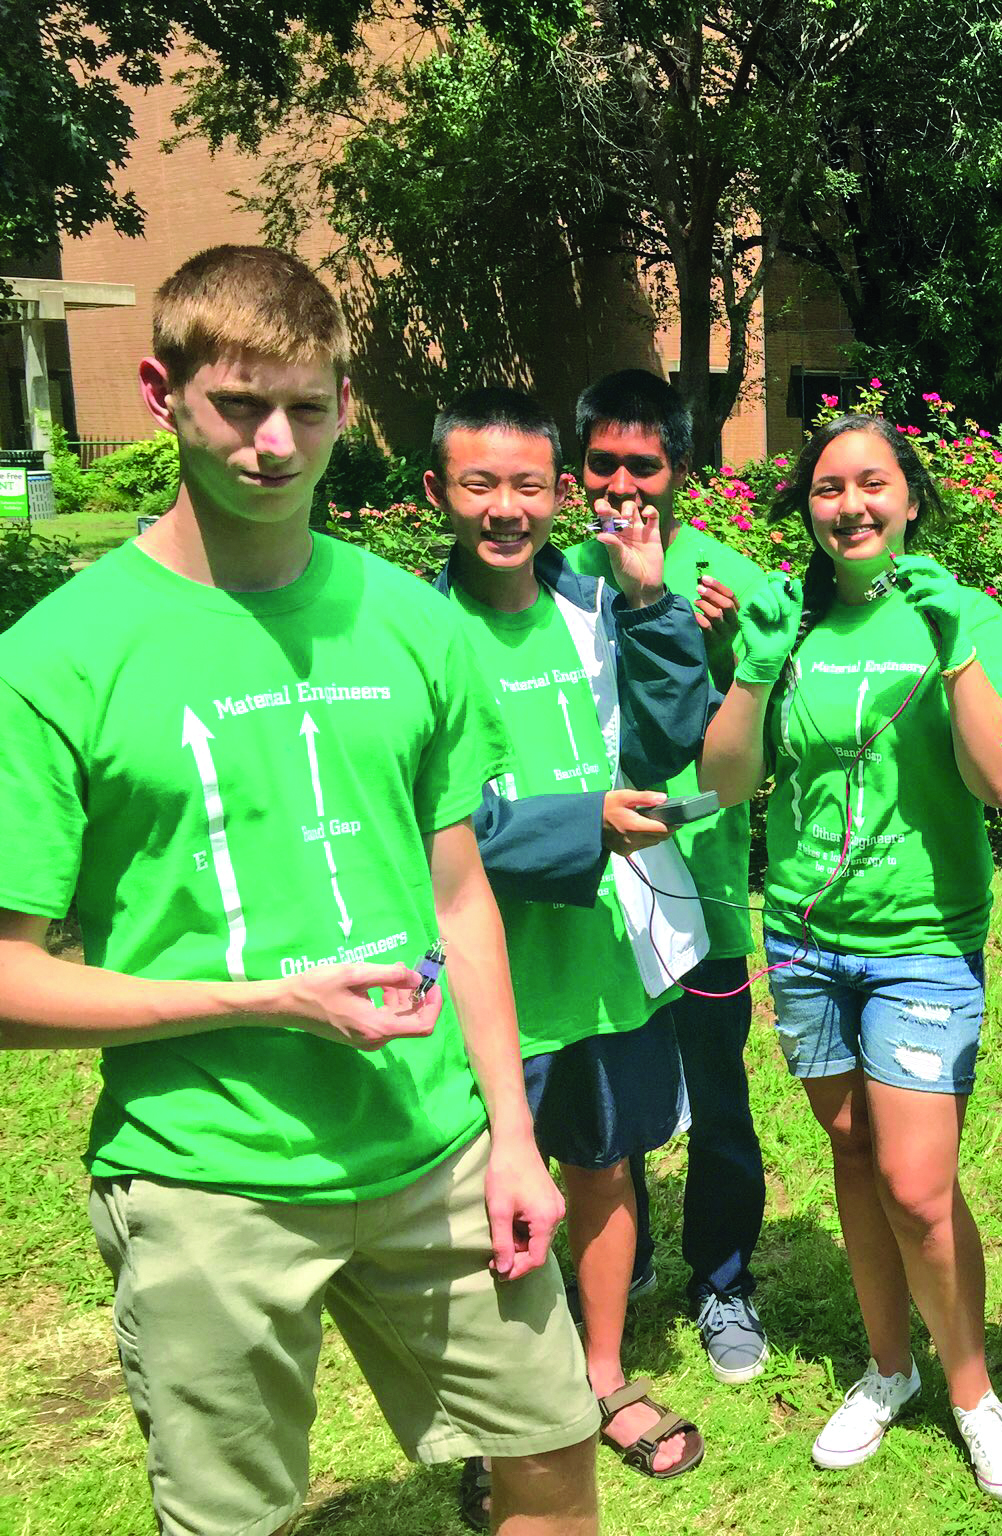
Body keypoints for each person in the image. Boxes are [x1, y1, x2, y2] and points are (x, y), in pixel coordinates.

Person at [0, 246, 600, 1534]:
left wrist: (512, 1134)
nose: (276, 443)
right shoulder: (55, 659)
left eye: (309, 408)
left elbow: (459, 899)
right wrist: (267, 1001)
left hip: (434, 1148)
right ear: (161, 391)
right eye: (238, 406)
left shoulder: (411, 622)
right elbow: (9, 980)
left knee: (552, 1451)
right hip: (208, 1178)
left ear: (344, 400)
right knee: (233, 1521)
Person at [698, 412, 1002, 1502]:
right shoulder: (786, 620)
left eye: (872, 484)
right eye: (827, 489)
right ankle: (888, 1367)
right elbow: (727, 782)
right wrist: (749, 669)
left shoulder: (967, 612)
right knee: (852, 1155)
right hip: (802, 939)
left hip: (922, 945)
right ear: (806, 508)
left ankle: (972, 1390)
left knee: (916, 1185)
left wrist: (952, 653)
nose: (850, 506)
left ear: (909, 497)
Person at [424, 385, 715, 1510]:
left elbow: (665, 736)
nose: (507, 508)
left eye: (529, 485)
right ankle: (508, 1419)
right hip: (484, 971)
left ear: (560, 491)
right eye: (480, 484)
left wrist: (649, 608)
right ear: (439, 492)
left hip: (603, 955)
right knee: (494, 1198)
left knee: (603, 1171)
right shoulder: (412, 631)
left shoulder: (597, 604)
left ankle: (599, 1379)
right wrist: (581, 823)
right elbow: (436, 821)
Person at [566, 369, 773, 1385]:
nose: (621, 488)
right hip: (593, 905)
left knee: (716, 1096)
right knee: (613, 1106)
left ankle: (724, 1278)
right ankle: (625, 1261)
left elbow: (752, 730)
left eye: (643, 466)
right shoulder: (550, 574)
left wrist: (730, 646)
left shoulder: (727, 578)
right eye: (602, 465)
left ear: (681, 472)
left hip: (701, 893)